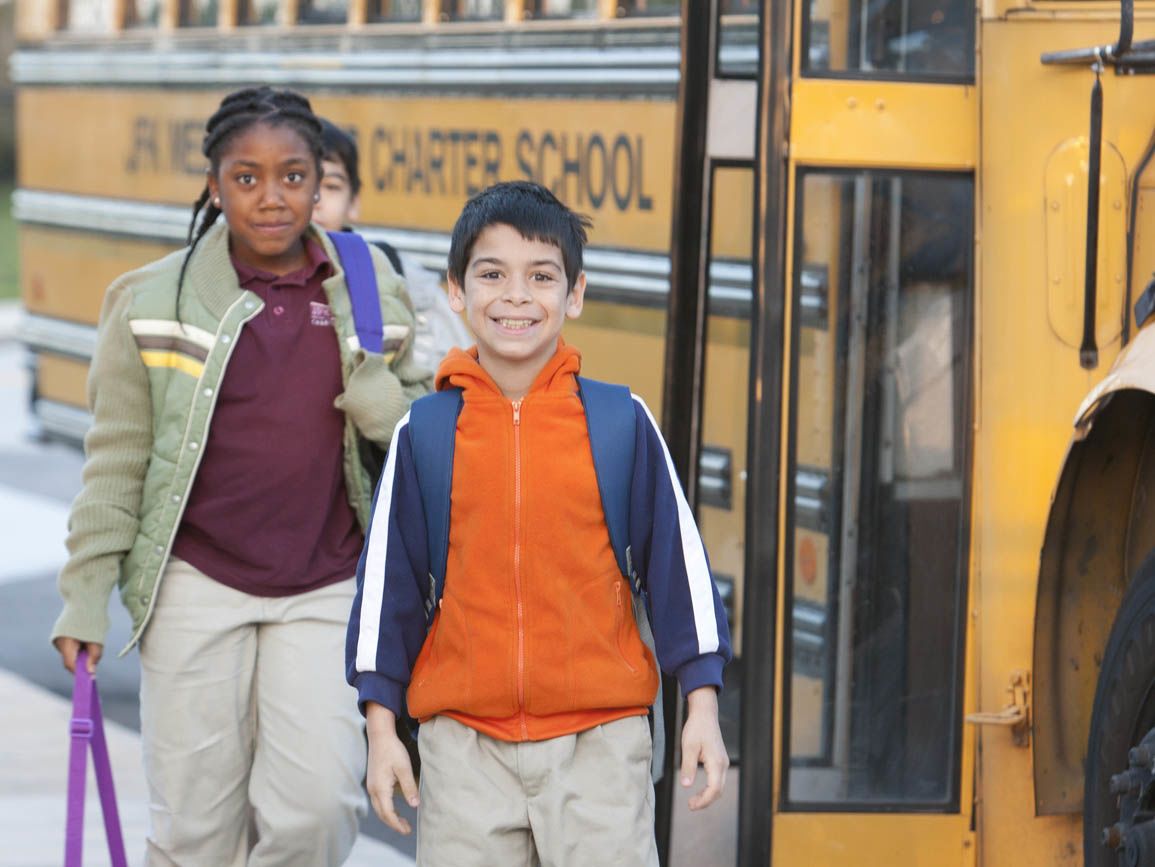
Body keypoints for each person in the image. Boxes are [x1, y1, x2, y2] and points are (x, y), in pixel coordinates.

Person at [51, 86, 429, 867]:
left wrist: (382, 403)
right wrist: (85, 593)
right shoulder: (150, 299)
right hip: (195, 582)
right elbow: (116, 457)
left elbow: (424, 443)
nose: (271, 197)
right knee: (196, 829)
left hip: (326, 585)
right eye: (246, 177)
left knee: (318, 811)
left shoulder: (368, 290)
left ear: (319, 179)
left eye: (294, 176)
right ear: (214, 184)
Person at [346, 180, 732, 865]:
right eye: (491, 274)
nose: (517, 296)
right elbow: (389, 593)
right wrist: (382, 730)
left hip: (601, 744)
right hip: (462, 747)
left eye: (541, 276)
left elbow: (681, 573)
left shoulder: (619, 422)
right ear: (456, 293)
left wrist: (701, 703)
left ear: (575, 293)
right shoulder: (428, 431)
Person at [312, 118, 471, 374]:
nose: (315, 199)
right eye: (298, 180)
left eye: (331, 186)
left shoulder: (403, 281)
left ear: (354, 201)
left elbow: (454, 377)